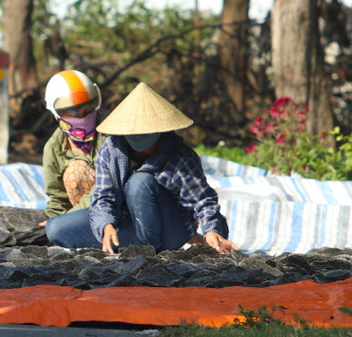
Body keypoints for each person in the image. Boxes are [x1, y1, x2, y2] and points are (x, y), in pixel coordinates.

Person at [53, 81, 238, 255]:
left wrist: (212, 231)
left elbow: (201, 199)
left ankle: (146, 249)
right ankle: (132, 245)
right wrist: (106, 225)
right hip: (127, 223)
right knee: (56, 229)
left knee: (140, 182)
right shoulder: (110, 151)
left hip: (168, 229)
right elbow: (103, 196)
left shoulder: (180, 155)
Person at [41, 69, 104, 248]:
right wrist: (53, 222)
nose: (82, 117)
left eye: (88, 109)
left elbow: (111, 185)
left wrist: (67, 219)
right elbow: (57, 198)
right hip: (85, 213)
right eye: (73, 112)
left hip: (115, 202)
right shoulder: (54, 148)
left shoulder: (112, 135)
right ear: (56, 115)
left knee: (77, 170)